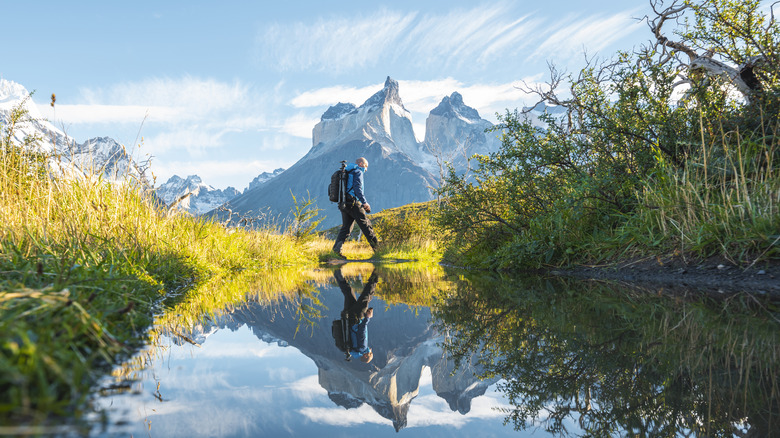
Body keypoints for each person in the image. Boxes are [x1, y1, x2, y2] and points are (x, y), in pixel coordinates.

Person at [332, 157, 379, 259]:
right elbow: (357, 188)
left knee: (346, 228)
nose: (366, 170)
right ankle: (378, 250)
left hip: (343, 202)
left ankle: (336, 251)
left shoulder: (347, 172)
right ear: (361, 164)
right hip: (354, 202)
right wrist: (364, 202)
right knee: (366, 225)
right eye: (366, 166)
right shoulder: (358, 171)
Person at [334, 268, 378, 363]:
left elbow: (361, 332)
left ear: (366, 355)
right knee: (348, 292)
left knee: (367, 295)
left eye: (370, 353)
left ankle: (377, 272)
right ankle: (337, 272)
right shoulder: (351, 350)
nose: (370, 350)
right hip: (347, 317)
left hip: (357, 317)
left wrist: (367, 318)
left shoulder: (362, 348)